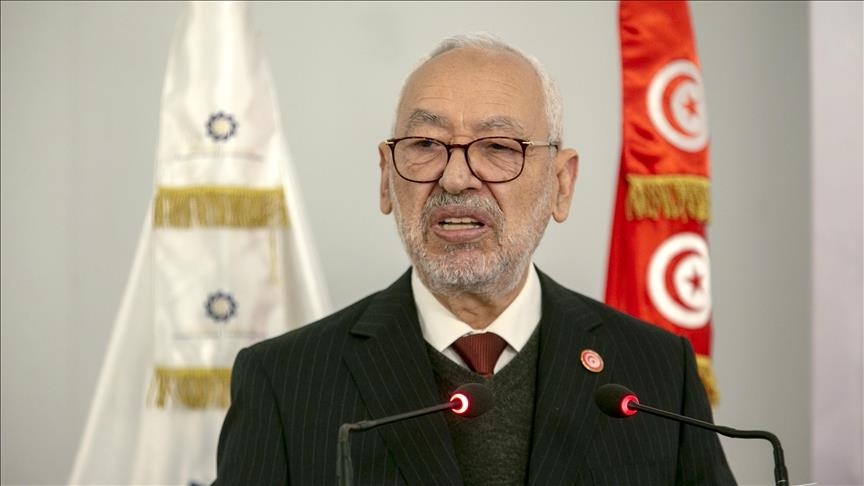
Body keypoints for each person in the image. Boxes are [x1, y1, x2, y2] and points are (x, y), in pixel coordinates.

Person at [214, 32, 736, 485]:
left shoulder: (656, 373)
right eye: (425, 144)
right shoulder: (285, 383)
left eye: (499, 148)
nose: (456, 178)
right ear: (386, 177)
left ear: (561, 184)